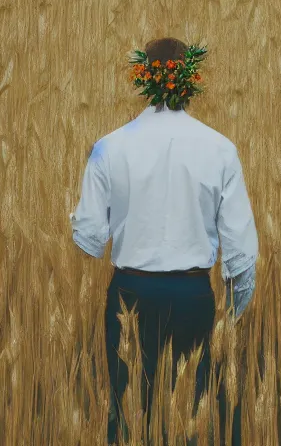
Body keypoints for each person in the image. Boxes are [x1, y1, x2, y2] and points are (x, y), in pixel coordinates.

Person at [69, 37, 258, 445]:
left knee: (126, 413)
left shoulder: (108, 148)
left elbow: (88, 239)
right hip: (193, 295)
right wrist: (234, 311)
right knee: (192, 418)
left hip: (130, 293)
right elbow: (242, 253)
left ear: (144, 78)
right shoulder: (221, 149)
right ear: (189, 80)